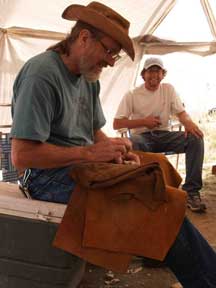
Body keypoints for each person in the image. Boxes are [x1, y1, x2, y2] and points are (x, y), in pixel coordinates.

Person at [10, 2, 216, 287]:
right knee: (155, 202)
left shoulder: (88, 78)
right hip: (45, 178)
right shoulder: (42, 74)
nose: (109, 62)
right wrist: (90, 153)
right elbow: (22, 157)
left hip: (83, 166)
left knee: (158, 168)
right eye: (108, 51)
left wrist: (119, 152)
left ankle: (157, 251)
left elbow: (94, 133)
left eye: (114, 56)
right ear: (83, 37)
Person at [113, 57, 206, 213]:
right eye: (150, 71)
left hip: (164, 135)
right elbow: (117, 123)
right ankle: (141, 192)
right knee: (133, 143)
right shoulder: (132, 94)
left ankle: (191, 192)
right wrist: (144, 122)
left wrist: (189, 123)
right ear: (143, 75)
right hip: (142, 137)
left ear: (163, 75)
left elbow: (181, 113)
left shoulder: (168, 89)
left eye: (158, 71)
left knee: (195, 138)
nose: (154, 75)